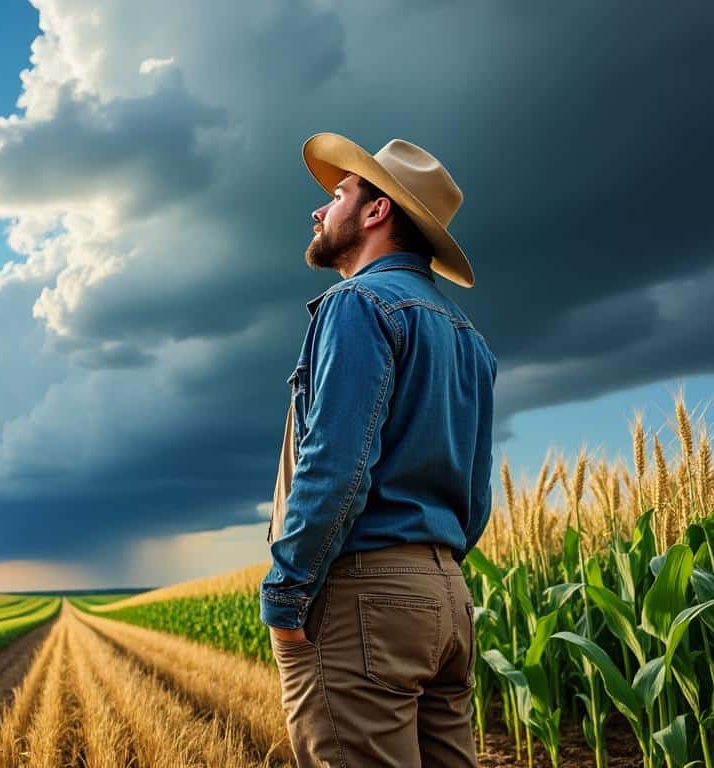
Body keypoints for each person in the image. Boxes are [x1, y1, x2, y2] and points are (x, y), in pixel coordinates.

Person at [260, 133, 498, 767]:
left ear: (376, 210)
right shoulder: (469, 338)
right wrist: (430, 573)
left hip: (364, 598)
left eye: (339, 194)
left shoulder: (356, 305)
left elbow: (335, 465)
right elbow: (476, 495)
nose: (319, 209)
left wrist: (286, 592)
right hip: (447, 598)